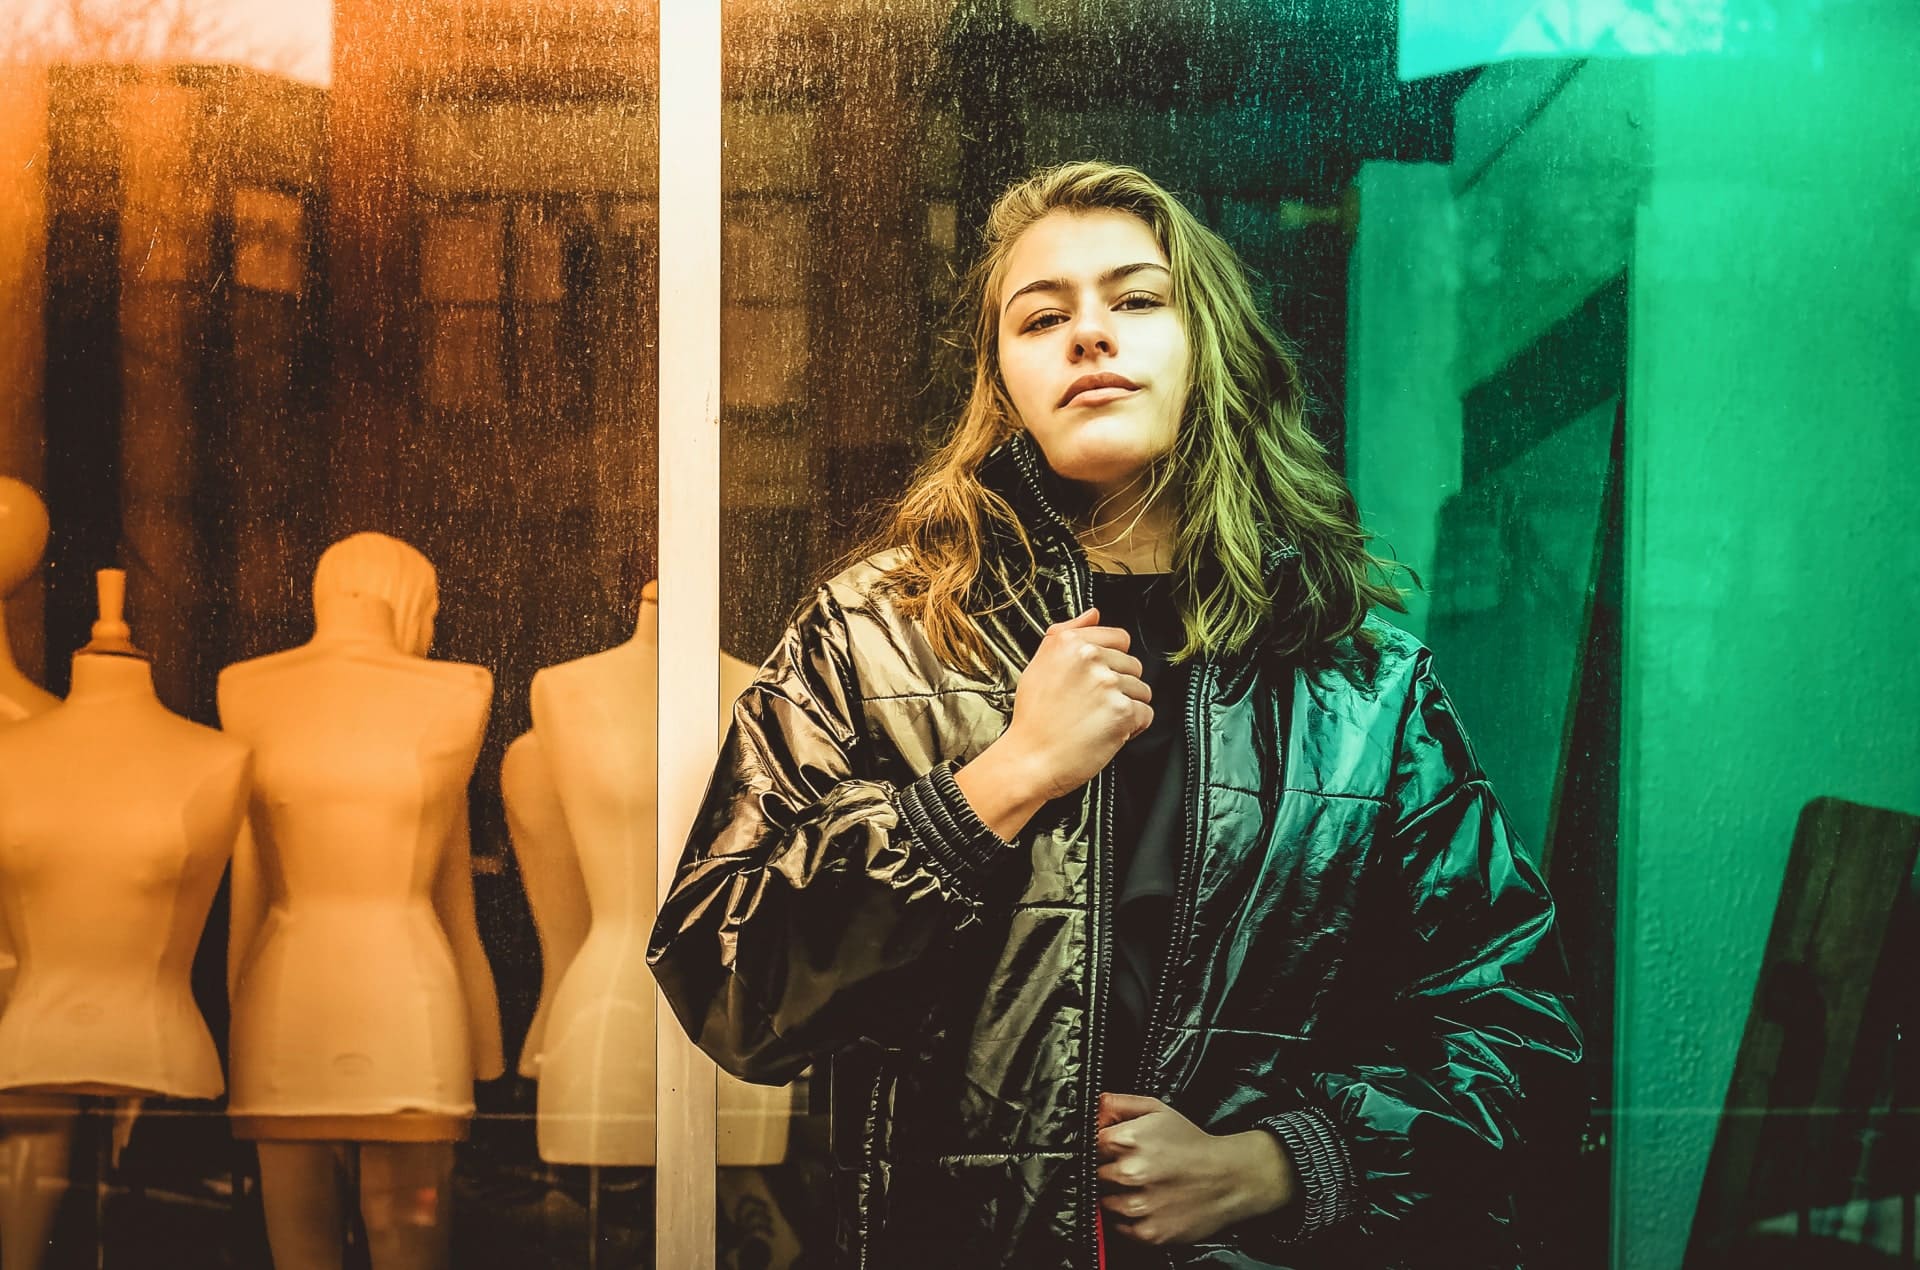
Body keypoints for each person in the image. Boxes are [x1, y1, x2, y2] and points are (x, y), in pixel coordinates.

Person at [649, 160, 1583, 1269]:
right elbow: (727, 982)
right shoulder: (875, 635)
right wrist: (995, 785)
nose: (1089, 333)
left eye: (1137, 300)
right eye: (1042, 317)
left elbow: (1518, 1037)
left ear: (1207, 347)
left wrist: (1282, 1164)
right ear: (1002, 381)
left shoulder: (1362, 689)